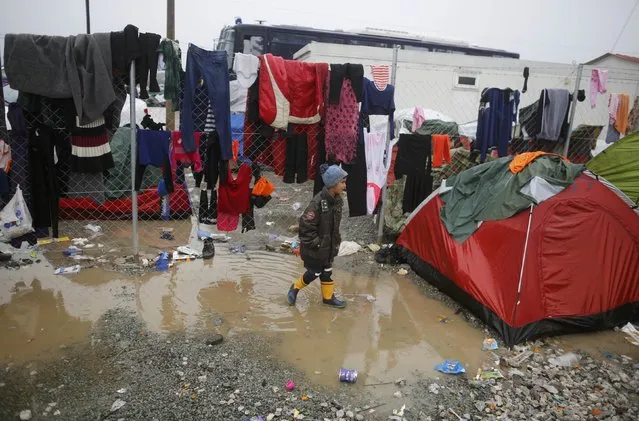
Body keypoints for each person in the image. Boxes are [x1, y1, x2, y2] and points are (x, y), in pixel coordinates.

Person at [287, 164, 348, 308]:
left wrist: (334, 242)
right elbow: (306, 226)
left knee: (327, 272)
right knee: (314, 272)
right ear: (333, 184)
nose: (345, 185)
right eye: (342, 182)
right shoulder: (317, 203)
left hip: (329, 246)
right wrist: (317, 243)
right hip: (316, 248)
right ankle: (295, 287)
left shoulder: (338, 200)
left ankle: (328, 297)